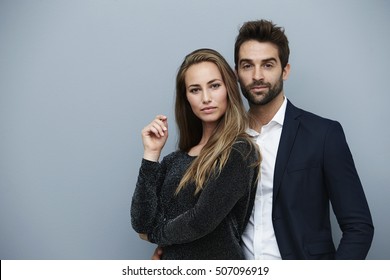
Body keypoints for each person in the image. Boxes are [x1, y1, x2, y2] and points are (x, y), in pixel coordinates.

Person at [152, 20, 374, 260]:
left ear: (285, 70)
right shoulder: (222, 142)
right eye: (247, 66)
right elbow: (199, 219)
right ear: (236, 74)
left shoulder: (323, 134)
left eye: (268, 65)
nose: (257, 76)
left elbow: (358, 227)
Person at [131, 48, 261, 259]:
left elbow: (200, 221)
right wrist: (151, 154)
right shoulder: (174, 161)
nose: (206, 98)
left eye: (215, 86)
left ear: (229, 88)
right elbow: (141, 223)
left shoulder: (239, 152)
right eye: (195, 90)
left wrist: (156, 234)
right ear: (186, 98)